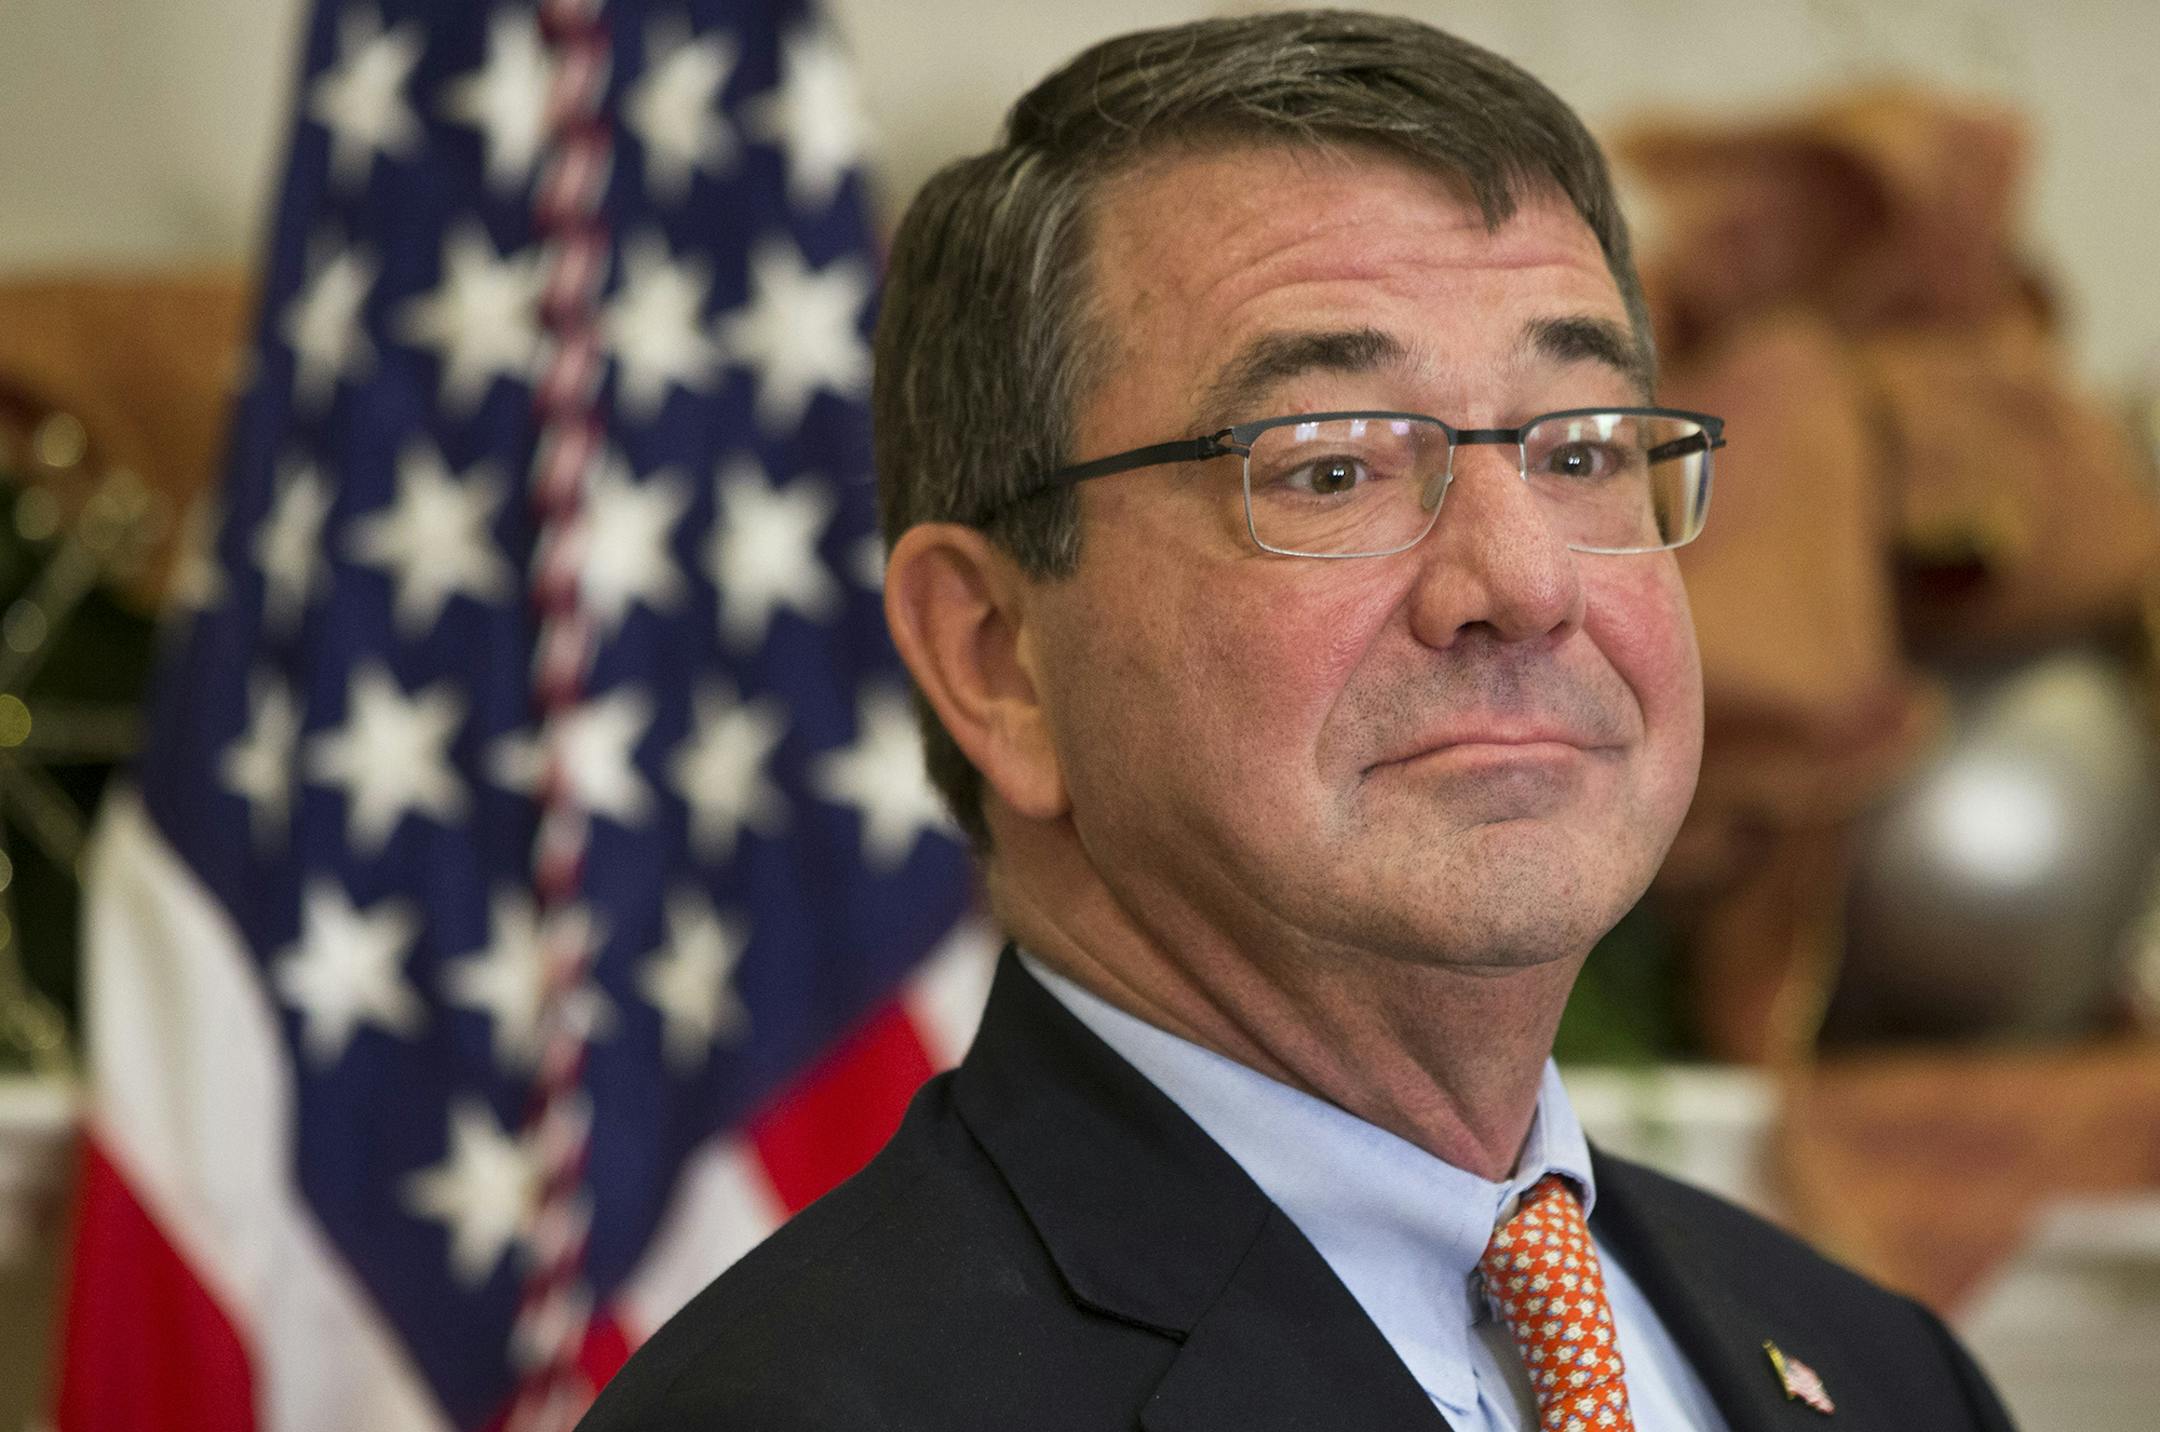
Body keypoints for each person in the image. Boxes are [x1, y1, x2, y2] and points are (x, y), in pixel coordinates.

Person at [582, 12, 2016, 1430]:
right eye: (1332, 469)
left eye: (1581, 447)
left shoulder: (1888, 1374)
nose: (1522, 582)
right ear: (996, 657)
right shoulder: (801, 1411)